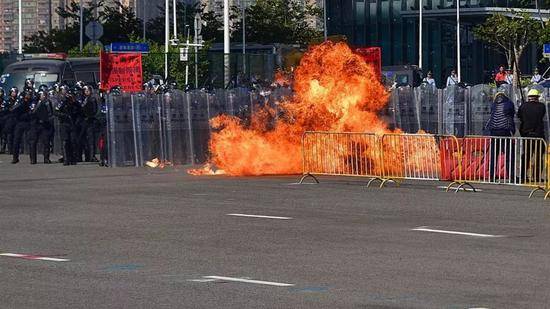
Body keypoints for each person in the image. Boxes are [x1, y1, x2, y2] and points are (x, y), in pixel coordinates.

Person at [484, 92, 516, 181]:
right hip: (505, 131)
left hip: (494, 131)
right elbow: (512, 115)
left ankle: (491, 175)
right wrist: (512, 131)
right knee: (509, 155)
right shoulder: (509, 103)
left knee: (494, 154)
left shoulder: (493, 105)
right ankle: (511, 176)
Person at [518, 89, 546, 182]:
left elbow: (520, 116)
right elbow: (542, 115)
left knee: (526, 156)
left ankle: (523, 176)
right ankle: (536, 176)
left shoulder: (523, 106)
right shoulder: (542, 106)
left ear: (528, 97)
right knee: (538, 157)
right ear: (537, 97)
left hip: (526, 135)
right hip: (539, 135)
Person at [54, 85, 80, 166]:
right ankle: (66, 159)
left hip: (73, 124)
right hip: (64, 124)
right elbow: (56, 112)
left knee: (73, 142)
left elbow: (80, 112)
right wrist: (64, 115)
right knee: (65, 142)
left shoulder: (75, 103)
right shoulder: (62, 102)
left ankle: (73, 159)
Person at [28, 90, 54, 164]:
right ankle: (33, 159)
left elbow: (51, 113)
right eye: (42, 95)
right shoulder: (34, 102)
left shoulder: (48, 102)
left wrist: (48, 119)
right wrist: (38, 105)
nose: (44, 96)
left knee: (46, 142)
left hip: (44, 124)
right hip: (35, 124)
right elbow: (31, 112)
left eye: (45, 95)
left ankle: (46, 158)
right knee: (33, 142)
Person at [11, 90, 35, 164]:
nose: (28, 96)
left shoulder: (32, 102)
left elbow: (33, 111)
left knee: (31, 141)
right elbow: (13, 109)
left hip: (28, 122)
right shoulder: (20, 102)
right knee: (16, 141)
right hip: (19, 122)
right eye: (26, 94)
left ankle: (33, 159)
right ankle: (15, 158)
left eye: (29, 94)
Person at [80, 85, 99, 162]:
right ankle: (88, 156)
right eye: (85, 91)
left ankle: (92, 156)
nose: (86, 92)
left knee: (91, 140)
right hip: (84, 121)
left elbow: (94, 110)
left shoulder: (92, 99)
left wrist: (89, 116)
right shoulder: (84, 99)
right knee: (85, 140)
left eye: (88, 91)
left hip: (90, 121)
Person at [3, 87, 19, 154]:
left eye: (15, 92)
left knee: (16, 135)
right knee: (9, 135)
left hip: (16, 119)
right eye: (13, 92)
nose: (14, 93)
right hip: (9, 119)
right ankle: (10, 149)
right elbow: (5, 110)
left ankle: (15, 149)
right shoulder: (7, 101)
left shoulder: (18, 101)